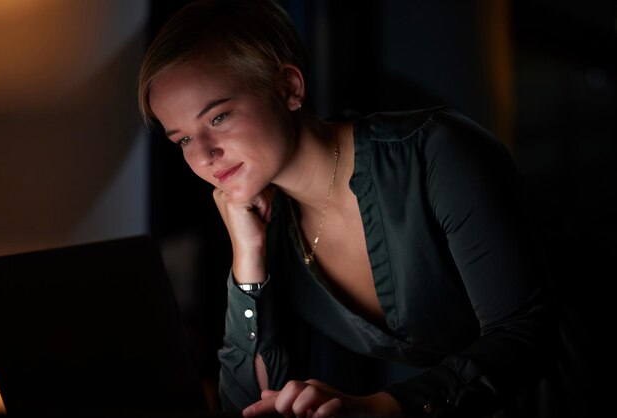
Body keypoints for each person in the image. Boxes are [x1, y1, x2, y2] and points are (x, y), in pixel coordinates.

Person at [137, 0, 557, 416]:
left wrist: (386, 407)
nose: (205, 155)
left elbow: (527, 333)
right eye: (184, 140)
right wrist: (248, 259)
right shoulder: (270, 228)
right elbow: (247, 406)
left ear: (289, 88)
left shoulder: (438, 153)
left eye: (218, 117)